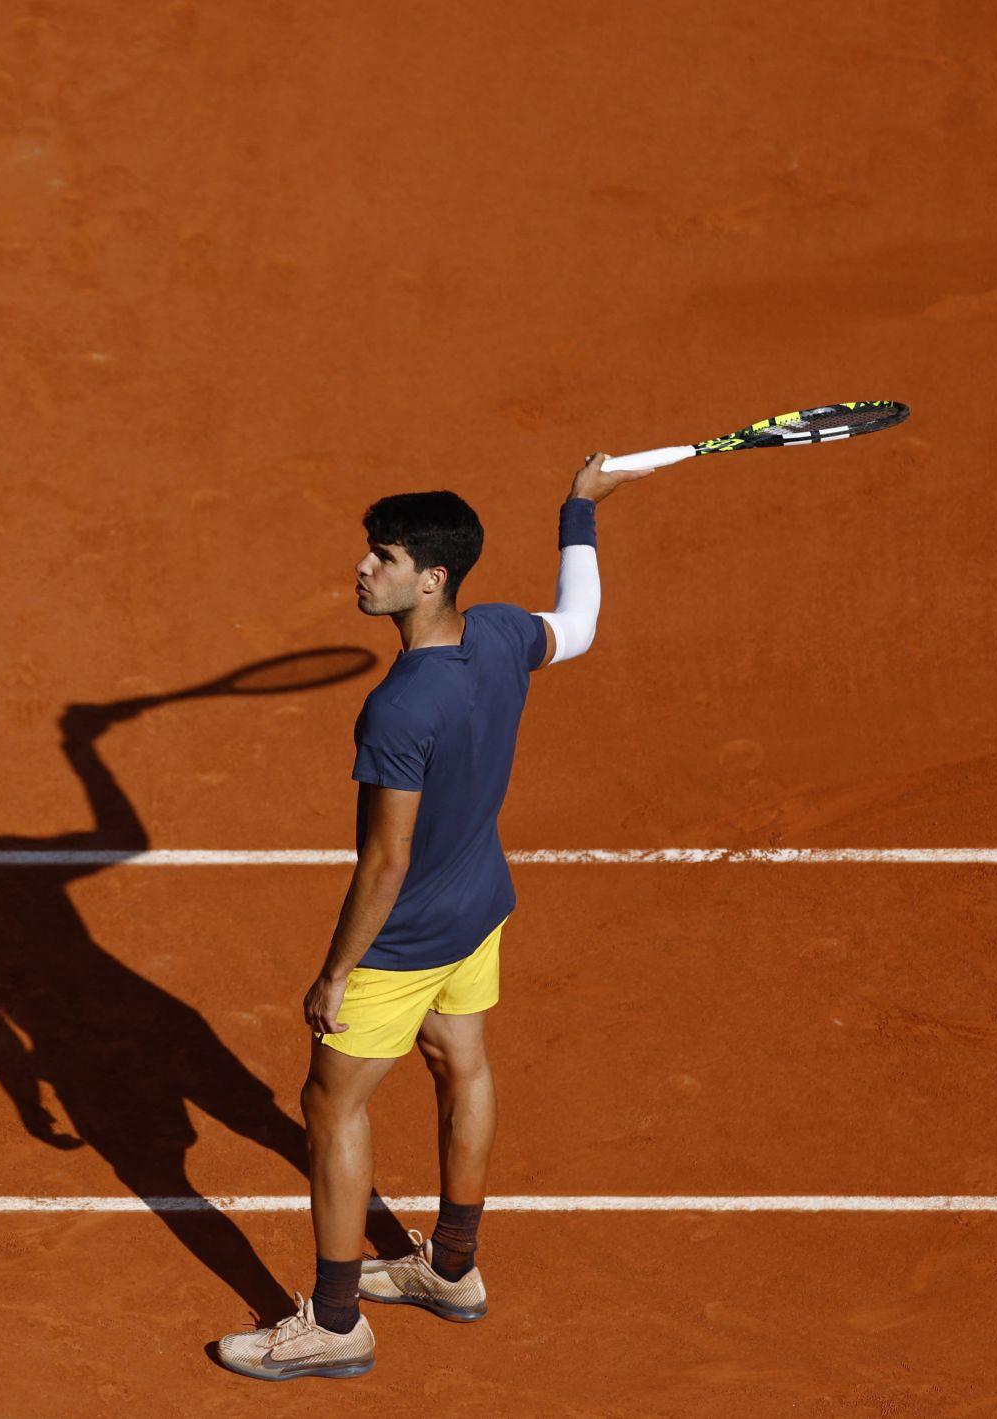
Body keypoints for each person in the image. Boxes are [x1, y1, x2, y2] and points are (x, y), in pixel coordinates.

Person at [216, 452, 650, 1381]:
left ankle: (335, 1326)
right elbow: (579, 623)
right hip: (481, 906)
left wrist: (336, 970)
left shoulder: (398, 707)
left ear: (432, 575)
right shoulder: (498, 635)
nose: (363, 569)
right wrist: (579, 509)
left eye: (382, 556)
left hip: (407, 937)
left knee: (330, 1107)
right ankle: (451, 1268)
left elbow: (385, 863)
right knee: (464, 1063)